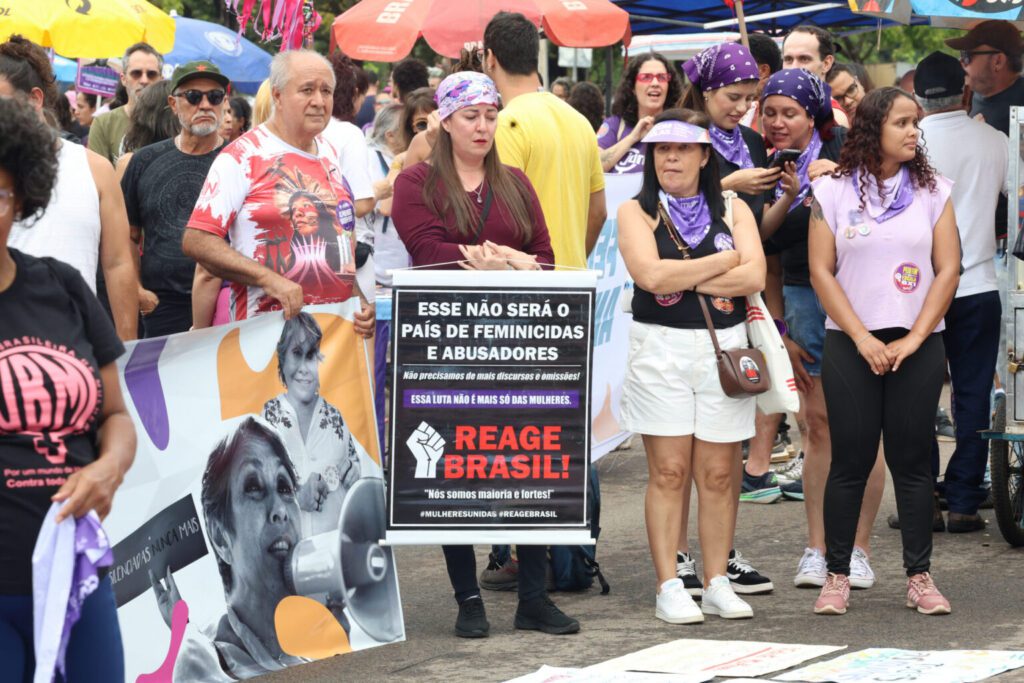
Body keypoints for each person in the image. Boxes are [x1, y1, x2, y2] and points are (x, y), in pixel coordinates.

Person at [392, 71, 571, 638]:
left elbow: (544, 256)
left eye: (491, 115)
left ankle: (534, 598)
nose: (483, 126)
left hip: (522, 346)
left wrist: (513, 262)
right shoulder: (415, 180)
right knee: (450, 469)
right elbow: (426, 252)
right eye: (471, 115)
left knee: (532, 465)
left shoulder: (516, 181)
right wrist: (497, 259)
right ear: (444, 120)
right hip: (446, 345)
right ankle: (468, 598)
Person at [809, 86, 960, 616]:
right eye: (902, 122)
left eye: (915, 122)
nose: (914, 131)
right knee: (849, 462)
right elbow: (820, 272)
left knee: (915, 462)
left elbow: (949, 269)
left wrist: (917, 337)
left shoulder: (934, 190)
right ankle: (836, 576)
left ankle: (920, 577)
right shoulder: (832, 192)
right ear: (874, 128)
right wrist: (863, 338)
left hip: (917, 343)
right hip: (851, 342)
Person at [0, 94, 136, 683]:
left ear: (24, 197)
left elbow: (116, 416)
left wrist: (108, 470)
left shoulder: (59, 287)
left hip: (75, 569)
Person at [618, 109, 766, 624]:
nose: (671, 158)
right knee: (670, 470)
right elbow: (651, 277)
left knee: (721, 474)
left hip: (723, 348)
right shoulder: (636, 212)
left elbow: (755, 276)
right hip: (659, 349)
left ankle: (717, 581)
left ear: (705, 156)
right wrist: (724, 262)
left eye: (682, 149)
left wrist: (683, 276)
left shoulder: (734, 207)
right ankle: (668, 585)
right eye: (661, 149)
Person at [758, 68, 884, 590]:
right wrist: (779, 329)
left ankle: (857, 549)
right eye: (769, 112)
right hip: (799, 301)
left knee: (864, 428)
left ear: (813, 116)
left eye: (789, 113)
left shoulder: (847, 160)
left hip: (855, 297)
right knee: (817, 426)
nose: (778, 122)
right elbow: (761, 255)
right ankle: (817, 548)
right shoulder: (758, 165)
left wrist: (835, 182)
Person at [669, 42, 782, 597]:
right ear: (707, 90)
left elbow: (759, 243)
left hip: (736, 307)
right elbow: (658, 214)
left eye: (750, 98)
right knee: (676, 451)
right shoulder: (681, 139)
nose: (743, 108)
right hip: (676, 314)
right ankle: (681, 556)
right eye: (734, 97)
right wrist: (731, 187)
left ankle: (723, 551)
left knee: (725, 446)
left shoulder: (755, 143)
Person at [182, 49, 374, 336]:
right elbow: (197, 240)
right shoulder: (243, 155)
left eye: (326, 91)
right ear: (278, 95)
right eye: (307, 90)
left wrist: (357, 295)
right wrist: (268, 279)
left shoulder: (330, 154)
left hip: (333, 340)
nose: (319, 102)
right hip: (263, 339)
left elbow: (342, 237)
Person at [913, 52, 1008, 533]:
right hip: (977, 284)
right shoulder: (994, 141)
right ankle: (966, 499)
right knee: (972, 393)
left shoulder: (908, 141)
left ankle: (923, 494)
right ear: (965, 91)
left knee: (917, 394)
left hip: (917, 291)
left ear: (916, 96)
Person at [1, 35, 139, 341]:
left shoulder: (95, 170)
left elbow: (118, 265)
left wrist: (126, 350)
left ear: (34, 99)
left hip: (76, 351)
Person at [158, 417, 307, 681]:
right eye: (253, 487)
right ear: (220, 537)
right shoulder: (203, 660)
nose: (280, 511)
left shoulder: (317, 651)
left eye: (284, 487)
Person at [483, 11, 606, 268]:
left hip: (530, 289)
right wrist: (571, 261)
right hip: (574, 283)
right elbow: (598, 212)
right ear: (534, 56)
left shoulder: (506, 125)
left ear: (490, 58)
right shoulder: (580, 121)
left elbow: (501, 218)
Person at [121, 62, 230, 338]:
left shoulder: (240, 161)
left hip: (225, 303)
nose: (205, 105)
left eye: (214, 97)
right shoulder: (144, 161)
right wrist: (138, 291)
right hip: (160, 306)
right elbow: (127, 237)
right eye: (194, 96)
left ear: (224, 101)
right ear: (173, 103)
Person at [263, 312, 363, 537]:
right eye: (296, 354)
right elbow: (259, 495)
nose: (304, 368)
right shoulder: (268, 417)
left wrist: (355, 472)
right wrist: (297, 498)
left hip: (334, 554)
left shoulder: (335, 418)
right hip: (288, 555)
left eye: (311, 356)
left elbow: (358, 471)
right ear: (282, 359)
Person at [598, 53, 682, 174]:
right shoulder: (615, 125)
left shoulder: (681, 126)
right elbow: (593, 168)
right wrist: (632, 138)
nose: (655, 83)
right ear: (632, 87)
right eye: (646, 77)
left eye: (662, 77)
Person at [88, 42, 163, 164]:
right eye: (136, 73)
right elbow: (98, 179)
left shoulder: (173, 121)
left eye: (151, 74)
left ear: (161, 79)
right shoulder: (103, 123)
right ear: (123, 79)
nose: (144, 80)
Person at [781, 26, 850, 128]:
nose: (794, 67)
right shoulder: (775, 108)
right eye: (788, 59)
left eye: (804, 59)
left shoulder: (833, 118)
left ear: (826, 63)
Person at [739, 33, 783, 131]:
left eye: (740, 68)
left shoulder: (780, 114)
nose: (735, 76)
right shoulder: (746, 109)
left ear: (762, 71)